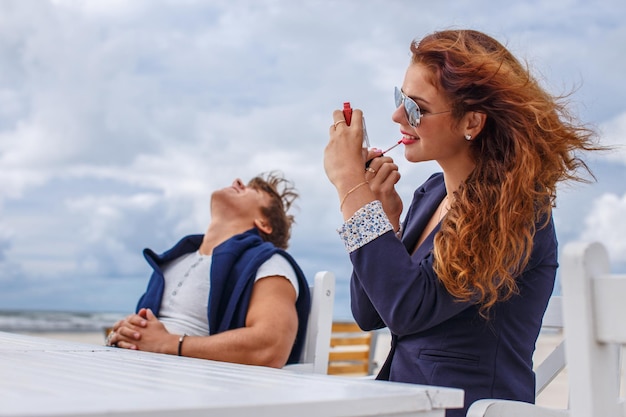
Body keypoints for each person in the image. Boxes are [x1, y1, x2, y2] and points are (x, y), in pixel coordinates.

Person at [324, 29, 600, 416]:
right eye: (400, 98)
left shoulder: (515, 211)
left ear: (471, 121)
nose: (398, 115)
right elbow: (371, 314)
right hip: (409, 405)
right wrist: (383, 218)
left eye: (416, 107)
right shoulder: (432, 194)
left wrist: (352, 189)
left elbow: (408, 309)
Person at [106, 171, 311, 369]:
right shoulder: (173, 261)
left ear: (264, 223)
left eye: (252, 191)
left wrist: (168, 343)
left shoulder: (268, 263)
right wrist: (126, 333)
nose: (238, 181)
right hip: (135, 371)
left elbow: (271, 345)